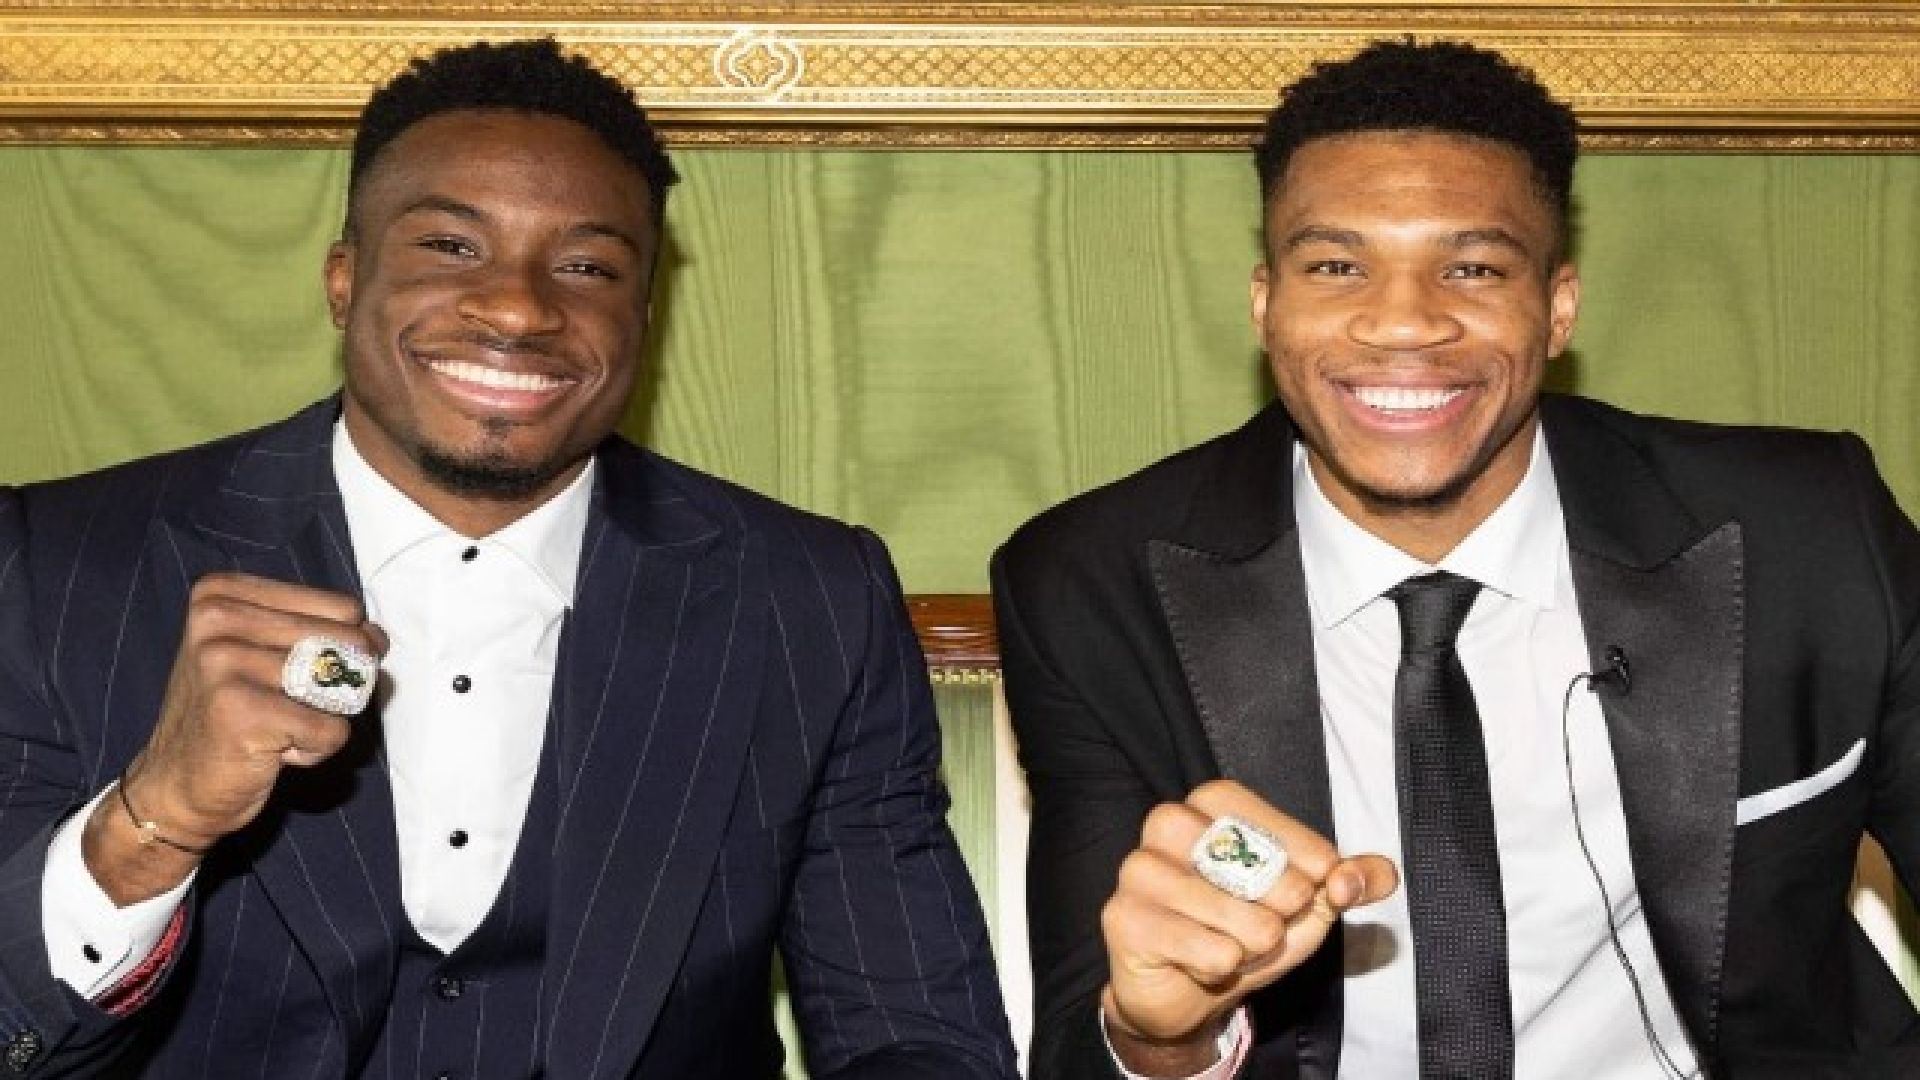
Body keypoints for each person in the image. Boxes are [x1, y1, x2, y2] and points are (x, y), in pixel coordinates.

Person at [0, 38, 1015, 1079]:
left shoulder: (808, 599)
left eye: (587, 266)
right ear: (344, 281)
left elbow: (919, 1039)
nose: (522, 308)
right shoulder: (55, 568)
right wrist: (152, 826)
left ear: (644, 316)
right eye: (452, 246)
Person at [992, 38, 1920, 1080]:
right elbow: (1086, 1041)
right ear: (1265, 305)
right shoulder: (1091, 584)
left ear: (1558, 307)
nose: (1403, 323)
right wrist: (1167, 1039)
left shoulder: (1808, 531)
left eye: (1472, 268)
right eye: (1336, 266)